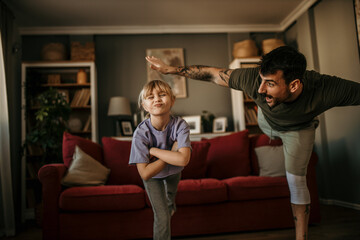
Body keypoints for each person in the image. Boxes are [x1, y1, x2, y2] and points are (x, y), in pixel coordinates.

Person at [146, 46, 360, 240]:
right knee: (264, 113)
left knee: (296, 181)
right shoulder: (252, 80)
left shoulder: (325, 88)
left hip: (298, 129)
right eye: (262, 80)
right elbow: (212, 74)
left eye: (271, 84)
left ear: (294, 85)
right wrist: (171, 70)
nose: (260, 89)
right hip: (266, 122)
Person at [129, 79, 191, 240]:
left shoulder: (181, 125)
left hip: (174, 172)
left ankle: (170, 204)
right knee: (162, 216)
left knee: (170, 197)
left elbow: (183, 160)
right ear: (144, 105)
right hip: (153, 177)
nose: (157, 99)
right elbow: (145, 173)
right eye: (150, 97)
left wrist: (154, 151)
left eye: (162, 95)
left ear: (172, 100)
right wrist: (171, 152)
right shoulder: (140, 134)